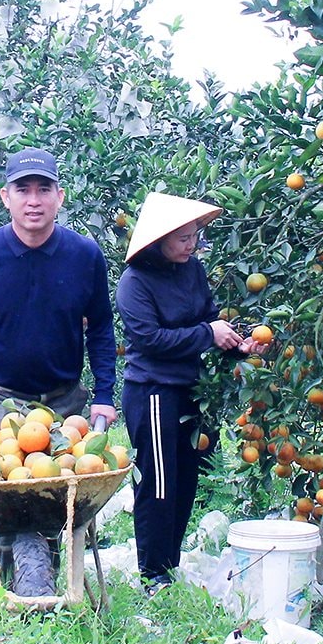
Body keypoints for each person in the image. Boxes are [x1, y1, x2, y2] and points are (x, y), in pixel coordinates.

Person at [0, 148, 118, 597]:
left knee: (64, 483)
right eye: (23, 190)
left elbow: (102, 330)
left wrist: (105, 395)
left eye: (43, 189)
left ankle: (45, 565)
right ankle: (21, 571)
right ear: (5, 197)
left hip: (63, 396)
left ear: (60, 196)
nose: (33, 200)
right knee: (8, 483)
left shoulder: (84, 256)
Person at [116, 193, 267, 589]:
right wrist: (207, 333)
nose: (191, 245)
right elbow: (149, 339)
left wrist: (240, 345)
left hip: (191, 391)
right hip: (153, 392)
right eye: (182, 238)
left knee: (185, 479)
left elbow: (209, 322)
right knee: (158, 481)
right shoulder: (134, 283)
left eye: (194, 236)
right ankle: (152, 573)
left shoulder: (192, 271)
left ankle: (169, 566)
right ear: (158, 239)